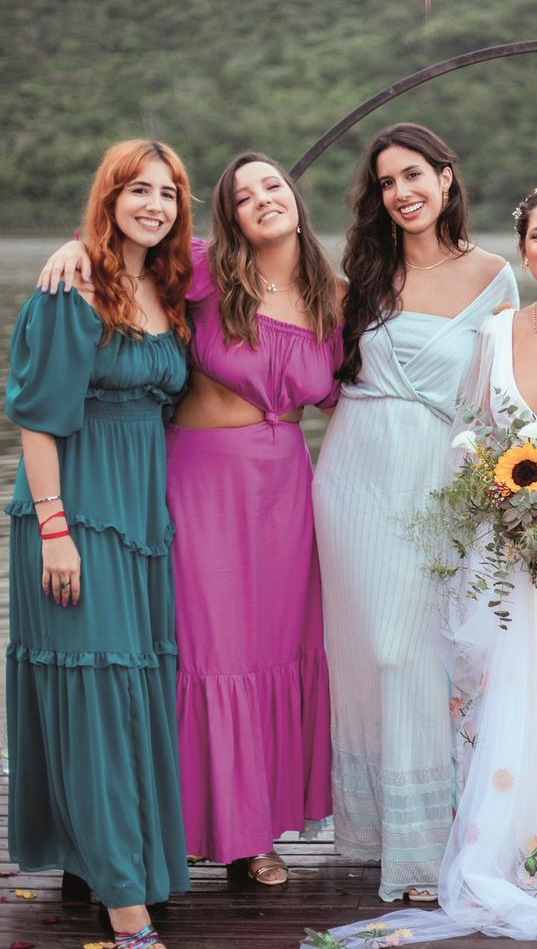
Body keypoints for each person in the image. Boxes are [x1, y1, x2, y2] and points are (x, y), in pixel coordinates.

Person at [309, 186, 537, 947]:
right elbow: (477, 441)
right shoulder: (494, 330)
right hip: (512, 552)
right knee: (511, 697)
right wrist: (510, 507)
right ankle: (509, 853)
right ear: (523, 251)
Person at [36, 152, 342, 885]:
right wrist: (75, 246)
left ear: (295, 197)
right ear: (228, 216)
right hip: (201, 481)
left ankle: (253, 834)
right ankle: (179, 825)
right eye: (243, 195)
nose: (262, 200)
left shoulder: (336, 295)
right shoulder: (205, 272)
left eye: (273, 185)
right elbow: (129, 251)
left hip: (286, 493)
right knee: (204, 652)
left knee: (274, 652)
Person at [311, 123, 517, 902]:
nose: (402, 192)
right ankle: (377, 831)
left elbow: (503, 393)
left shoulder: (496, 275)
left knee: (419, 653)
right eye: (387, 182)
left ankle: (430, 839)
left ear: (446, 177)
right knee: (370, 651)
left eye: (414, 175)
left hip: (438, 474)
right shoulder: (360, 273)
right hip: (355, 470)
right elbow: (251, 273)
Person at [7, 139, 194, 949]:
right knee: (93, 698)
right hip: (74, 514)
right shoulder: (71, 286)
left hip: (141, 520)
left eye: (169, 193)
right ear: (109, 195)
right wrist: (56, 532)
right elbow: (37, 420)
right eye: (138, 190)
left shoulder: (166, 282)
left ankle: (112, 865)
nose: (154, 204)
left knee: (131, 693)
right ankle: (125, 908)